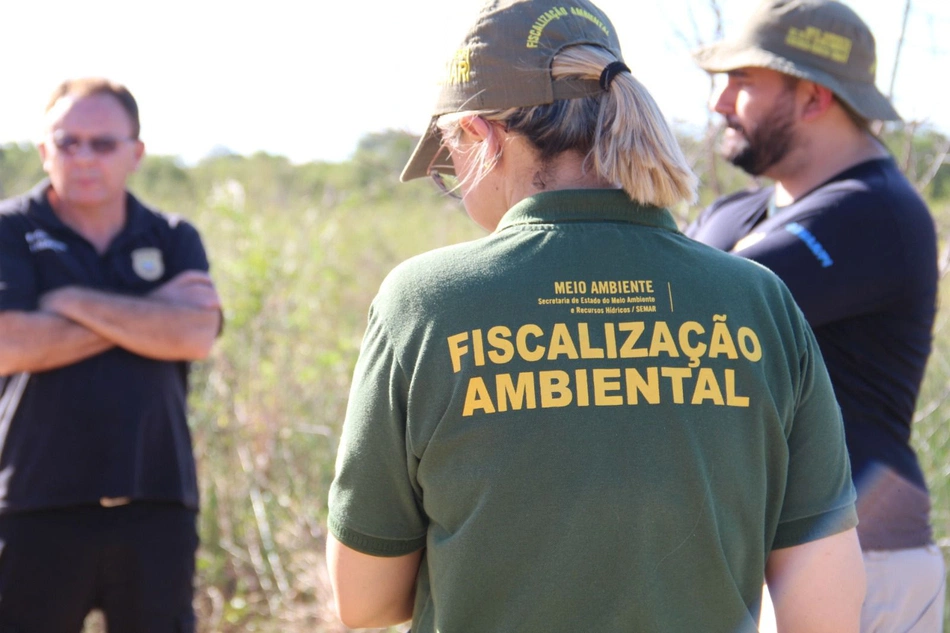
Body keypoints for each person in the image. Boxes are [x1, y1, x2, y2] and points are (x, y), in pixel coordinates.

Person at [326, 0, 865, 631]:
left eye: (450, 160)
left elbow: (366, 603)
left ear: (482, 135)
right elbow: (824, 605)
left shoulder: (421, 303)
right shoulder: (759, 302)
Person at [685, 1, 946, 631]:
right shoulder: (737, 212)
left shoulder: (873, 216)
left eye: (742, 82)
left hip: (859, 564)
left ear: (812, 97)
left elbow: (687, 309)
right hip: (761, 560)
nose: (722, 104)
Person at [0, 78, 221, 632]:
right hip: (33, 503)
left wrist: (68, 301)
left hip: (156, 500)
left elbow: (195, 335)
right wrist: (149, 313)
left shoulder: (173, 236)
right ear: (44, 149)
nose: (83, 157)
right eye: (67, 141)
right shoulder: (10, 230)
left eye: (102, 143)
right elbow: (9, 344)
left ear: (136, 153)